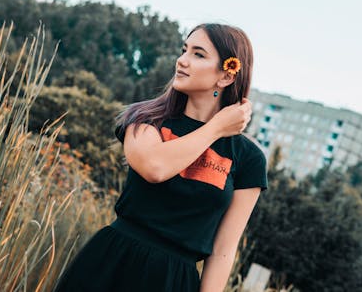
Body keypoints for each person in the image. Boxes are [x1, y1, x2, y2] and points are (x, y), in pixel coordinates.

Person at [55, 23, 268, 292]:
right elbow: (154, 168)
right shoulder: (146, 120)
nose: (182, 60)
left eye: (198, 54)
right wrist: (216, 128)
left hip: (174, 282)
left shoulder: (249, 159)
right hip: (111, 264)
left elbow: (223, 251)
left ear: (226, 77)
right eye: (184, 50)